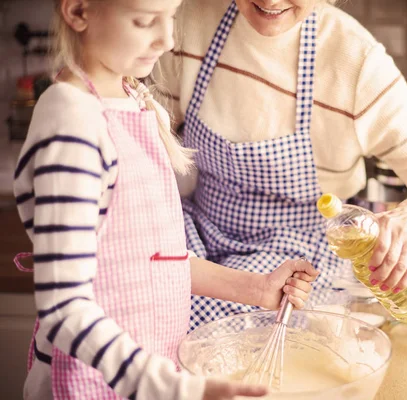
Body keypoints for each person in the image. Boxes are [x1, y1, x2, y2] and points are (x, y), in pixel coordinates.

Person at [13, 0, 318, 398]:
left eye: (171, 17)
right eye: (144, 21)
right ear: (79, 12)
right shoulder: (72, 122)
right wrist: (174, 388)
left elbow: (153, 260)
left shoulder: (129, 97)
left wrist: (256, 290)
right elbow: (64, 309)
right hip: (89, 384)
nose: (167, 39)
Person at [155, 0, 407, 329]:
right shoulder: (187, 20)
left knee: (198, 319)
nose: (271, 0)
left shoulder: (356, 60)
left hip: (297, 253)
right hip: (198, 224)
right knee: (146, 287)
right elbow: (152, 135)